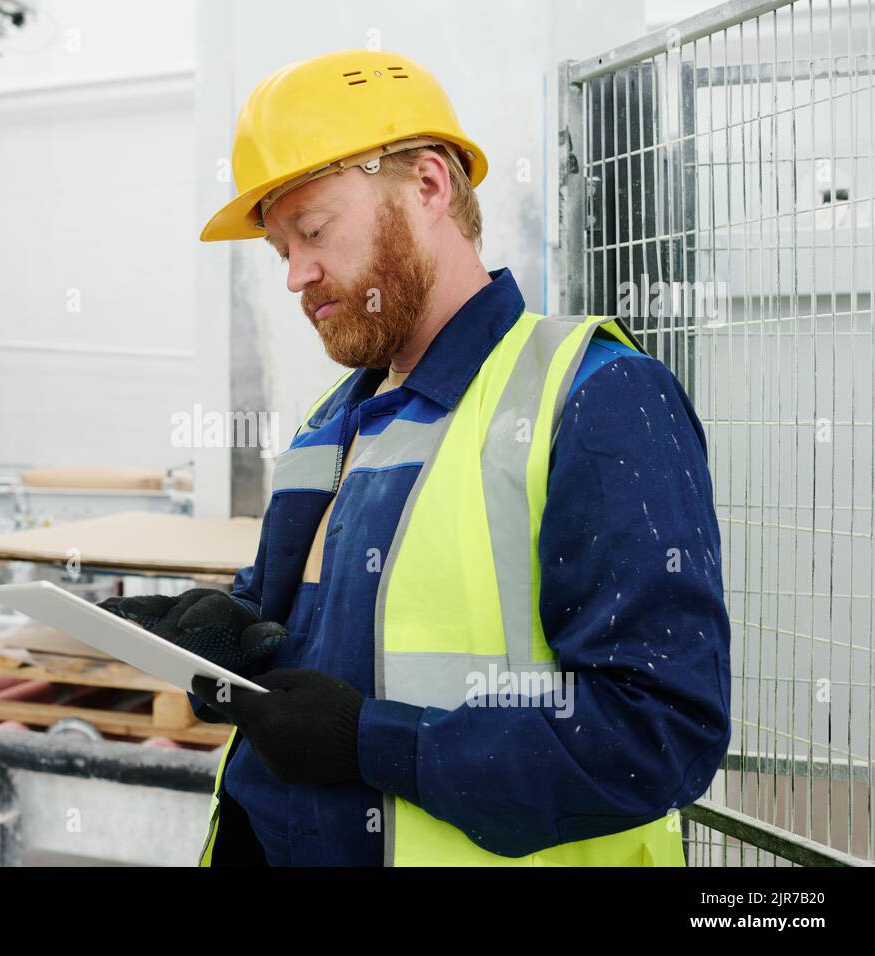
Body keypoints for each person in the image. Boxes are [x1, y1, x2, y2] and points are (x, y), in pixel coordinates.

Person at [101, 48, 731, 867]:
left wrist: (375, 744)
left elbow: (659, 733)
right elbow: (308, 634)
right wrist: (226, 629)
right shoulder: (334, 421)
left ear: (429, 186)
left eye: (314, 230)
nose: (295, 275)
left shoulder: (596, 399)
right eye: (278, 248)